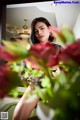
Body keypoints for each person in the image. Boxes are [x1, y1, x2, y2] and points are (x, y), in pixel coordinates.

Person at [13, 17, 62, 120]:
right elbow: (22, 71)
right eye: (36, 31)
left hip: (55, 87)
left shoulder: (59, 49)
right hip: (35, 87)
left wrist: (55, 70)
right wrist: (30, 77)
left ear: (49, 29)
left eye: (41, 28)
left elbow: (66, 71)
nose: (39, 32)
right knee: (17, 117)